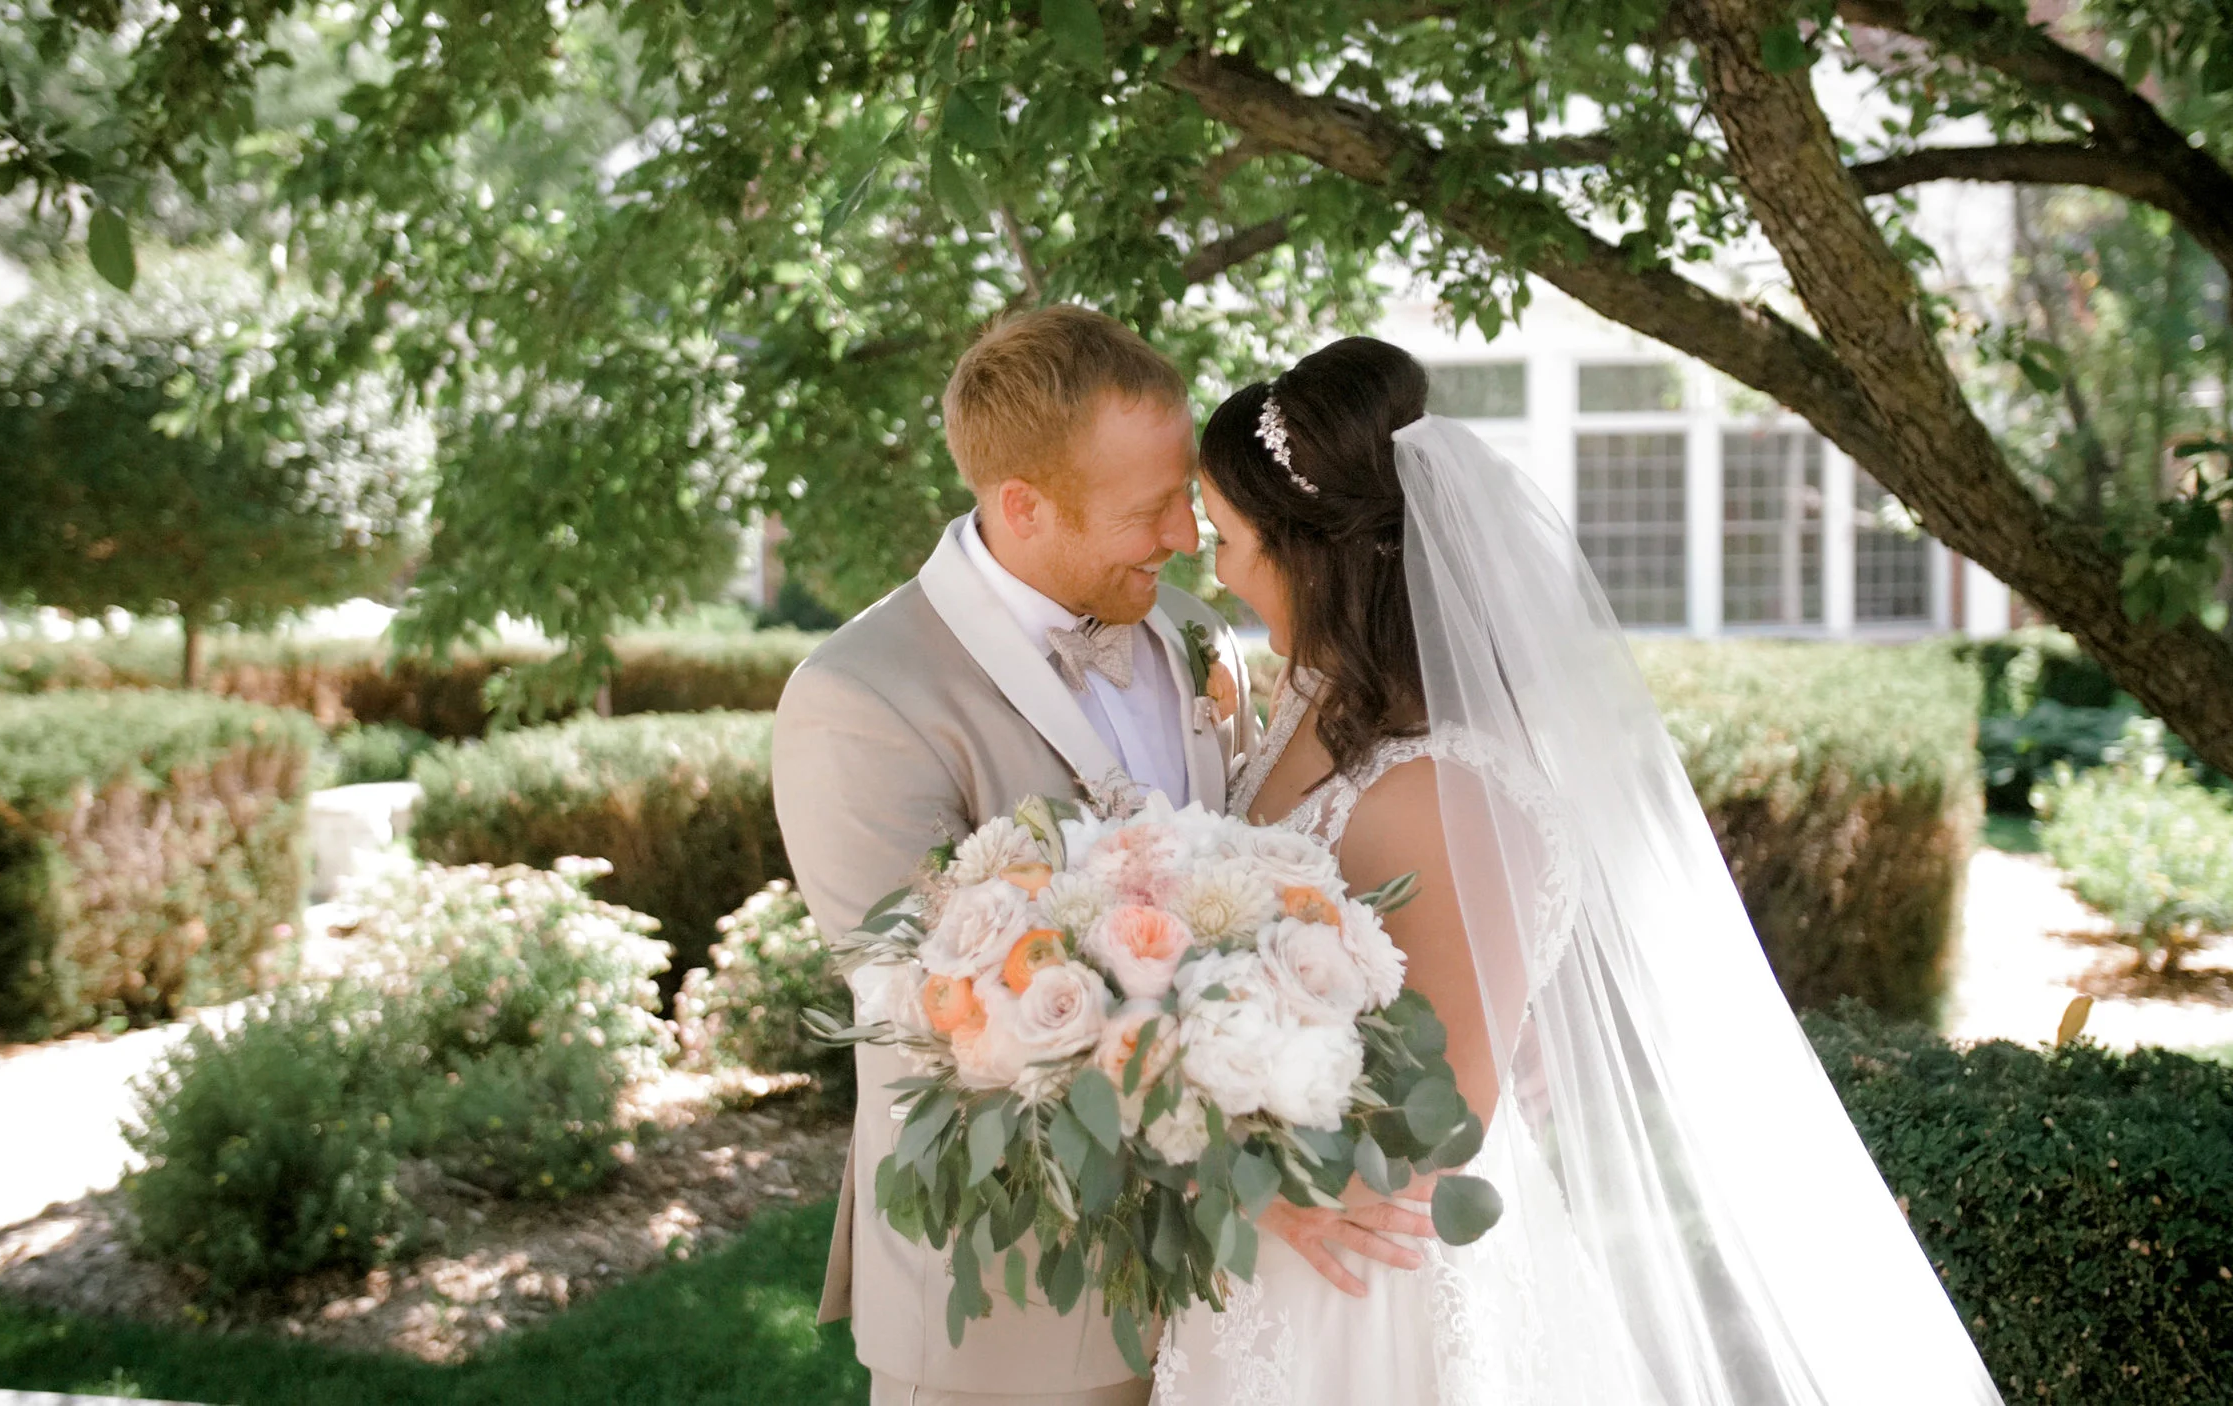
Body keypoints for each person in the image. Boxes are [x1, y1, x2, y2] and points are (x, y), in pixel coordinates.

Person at [1152, 337, 2006, 1406]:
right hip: (1265, 1249)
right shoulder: (1304, 699)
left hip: (1369, 1283)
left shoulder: (1447, 788)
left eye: (1226, 539)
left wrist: (1215, 1156)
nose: (1215, 569)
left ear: (1307, 552)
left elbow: (1439, 1125)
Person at [770, 306, 1426, 1406]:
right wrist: (1245, 1176)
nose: (1186, 535)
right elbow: (929, 1011)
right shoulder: (860, 697)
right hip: (1018, 1305)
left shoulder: (1189, 633)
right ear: (1021, 505)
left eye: (1185, 494)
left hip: (1232, 1309)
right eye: (1152, 506)